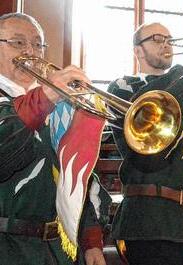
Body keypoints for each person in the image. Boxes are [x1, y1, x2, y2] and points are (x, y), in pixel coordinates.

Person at [107, 22, 183, 264]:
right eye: (156, 39)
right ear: (138, 51)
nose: (166, 44)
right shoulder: (122, 87)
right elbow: (154, 102)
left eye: (169, 39)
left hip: (180, 220)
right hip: (146, 217)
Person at [0, 13, 110, 265]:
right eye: (18, 42)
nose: (30, 51)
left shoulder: (56, 105)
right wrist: (47, 96)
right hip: (9, 249)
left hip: (59, 250)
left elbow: (77, 176)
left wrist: (91, 241)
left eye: (37, 44)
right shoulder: (46, 99)